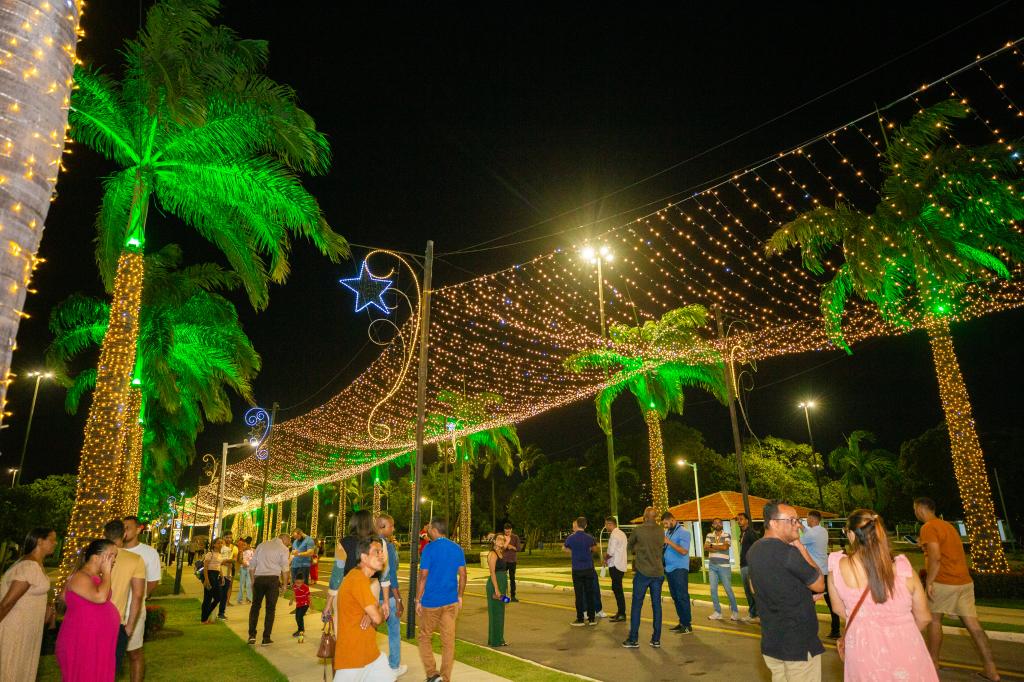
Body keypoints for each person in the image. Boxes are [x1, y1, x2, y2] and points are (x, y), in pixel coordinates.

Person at [828, 509, 936, 681]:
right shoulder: (903, 568)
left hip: (862, 652)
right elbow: (924, 617)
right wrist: (896, 631)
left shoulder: (837, 568)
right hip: (907, 651)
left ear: (852, 534)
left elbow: (838, 609)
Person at [914, 497, 1001, 681]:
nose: (915, 513)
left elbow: (936, 558)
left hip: (943, 581)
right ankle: (991, 669)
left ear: (920, 509)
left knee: (934, 621)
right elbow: (943, 551)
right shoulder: (948, 526)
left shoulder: (928, 527)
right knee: (973, 625)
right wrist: (924, 547)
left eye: (915, 509)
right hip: (964, 581)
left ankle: (933, 662)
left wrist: (929, 582)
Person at [747, 500, 826, 682]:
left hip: (773, 642)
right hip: (798, 644)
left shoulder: (754, 551)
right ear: (773, 523)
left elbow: (755, 587)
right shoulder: (788, 553)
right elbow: (819, 584)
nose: (797, 525)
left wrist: (801, 596)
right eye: (792, 520)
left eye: (798, 520)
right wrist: (801, 548)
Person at [56, 539, 121, 682]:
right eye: (111, 555)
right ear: (96, 557)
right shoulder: (80, 576)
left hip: (95, 640)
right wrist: (107, 573)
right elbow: (100, 597)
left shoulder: (93, 577)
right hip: (84, 641)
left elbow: (64, 597)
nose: (114, 560)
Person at [334, 537, 396, 681]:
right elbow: (377, 618)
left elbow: (371, 612)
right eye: (376, 552)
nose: (381, 555)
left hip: (370, 654)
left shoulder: (359, 577)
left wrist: (372, 612)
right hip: (353, 656)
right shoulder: (358, 579)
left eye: (381, 551)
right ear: (364, 557)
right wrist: (381, 609)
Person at [0, 527, 57, 682]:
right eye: (52, 539)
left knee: (20, 670)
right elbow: (7, 603)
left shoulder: (36, 564)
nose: (55, 543)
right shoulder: (28, 567)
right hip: (15, 630)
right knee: (10, 671)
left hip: (27, 630)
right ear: (40, 541)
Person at [415, 518, 467, 682]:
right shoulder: (456, 548)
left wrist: (418, 599)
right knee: (448, 642)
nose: (428, 530)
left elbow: (423, 576)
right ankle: (445, 678)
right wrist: (460, 596)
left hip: (431, 602)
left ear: (435, 530)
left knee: (424, 637)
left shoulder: (429, 549)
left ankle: (432, 674)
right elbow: (463, 575)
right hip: (451, 601)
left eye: (429, 527)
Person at [122, 516, 161, 682]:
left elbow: (153, 581)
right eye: (122, 528)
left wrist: (139, 596)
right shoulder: (113, 549)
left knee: (134, 652)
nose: (124, 531)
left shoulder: (149, 553)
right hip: (111, 610)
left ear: (138, 529)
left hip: (135, 611)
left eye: (128, 527)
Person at [104, 519, 146, 669]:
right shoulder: (134, 560)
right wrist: (129, 627)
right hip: (114, 622)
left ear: (104, 534)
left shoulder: (91, 553)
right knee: (109, 670)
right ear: (124, 535)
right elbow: (138, 595)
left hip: (88, 620)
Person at [623, 506, 665, 649]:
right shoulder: (661, 530)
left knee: (637, 605)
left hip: (643, 572)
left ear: (645, 517)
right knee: (656, 606)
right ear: (656, 517)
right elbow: (660, 547)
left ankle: (633, 639)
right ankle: (656, 639)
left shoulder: (638, 530)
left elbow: (629, 546)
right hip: (658, 572)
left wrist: (637, 549)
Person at [376, 514, 408, 677]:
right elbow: (391, 576)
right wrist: (399, 600)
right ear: (382, 527)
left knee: (368, 632)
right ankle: (394, 666)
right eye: (391, 526)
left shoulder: (368, 543)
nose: (393, 529)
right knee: (394, 631)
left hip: (370, 596)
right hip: (387, 597)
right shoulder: (387, 546)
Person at [800, 511, 839, 639]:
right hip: (825, 571)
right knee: (831, 602)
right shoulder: (823, 531)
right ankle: (835, 630)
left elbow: (798, 541)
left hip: (814, 573)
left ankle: (810, 631)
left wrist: (796, 528)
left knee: (809, 603)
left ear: (812, 519)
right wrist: (801, 526)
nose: (806, 521)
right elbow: (809, 534)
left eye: (807, 519)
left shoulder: (811, 534)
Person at [248, 533, 291, 645]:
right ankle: (266, 637)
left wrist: (252, 580)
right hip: (272, 580)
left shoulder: (262, 545)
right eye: (289, 541)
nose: (289, 544)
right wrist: (285, 585)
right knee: (270, 609)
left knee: (255, 607)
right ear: (284, 538)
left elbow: (252, 564)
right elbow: (285, 568)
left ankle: (252, 635)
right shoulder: (283, 549)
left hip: (259, 578)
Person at [562, 516, 598, 626]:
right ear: (585, 525)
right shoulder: (590, 537)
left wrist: (573, 551)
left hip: (577, 569)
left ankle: (580, 619)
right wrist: (588, 551)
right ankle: (592, 618)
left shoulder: (571, 538)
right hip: (589, 568)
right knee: (589, 593)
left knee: (579, 595)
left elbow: (564, 548)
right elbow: (595, 548)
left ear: (577, 524)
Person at [662, 511, 692, 634]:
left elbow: (684, 551)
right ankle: (682, 622)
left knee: (682, 596)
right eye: (664, 524)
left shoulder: (684, 532)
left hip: (679, 568)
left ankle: (687, 625)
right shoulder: (668, 532)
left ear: (672, 520)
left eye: (666, 523)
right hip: (669, 568)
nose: (665, 526)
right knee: (675, 597)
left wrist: (668, 542)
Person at [704, 517, 739, 621]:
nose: (718, 524)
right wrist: (718, 546)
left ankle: (735, 611)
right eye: (715, 523)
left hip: (724, 567)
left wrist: (712, 546)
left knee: (728, 589)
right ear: (713, 525)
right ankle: (717, 612)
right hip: (712, 566)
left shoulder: (726, 535)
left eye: (720, 523)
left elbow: (725, 547)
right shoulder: (709, 535)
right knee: (712, 589)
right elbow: (705, 547)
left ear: (722, 524)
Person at [486, 534, 510, 646]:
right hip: (495, 585)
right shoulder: (492, 554)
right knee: (495, 613)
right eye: (499, 539)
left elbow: (506, 543)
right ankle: (495, 640)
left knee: (500, 613)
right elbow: (492, 573)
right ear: (494, 541)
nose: (502, 541)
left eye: (503, 540)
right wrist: (496, 589)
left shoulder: (500, 552)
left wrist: (505, 588)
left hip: (502, 583)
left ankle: (499, 638)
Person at [736, 511, 760, 623]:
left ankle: (756, 614)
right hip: (744, 565)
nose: (739, 521)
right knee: (748, 591)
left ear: (747, 520)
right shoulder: (743, 533)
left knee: (751, 591)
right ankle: (754, 613)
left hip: (749, 565)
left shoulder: (751, 533)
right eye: (738, 519)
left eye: (741, 519)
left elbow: (757, 548)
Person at [603, 516, 628, 622]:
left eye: (606, 524)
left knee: (617, 590)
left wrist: (605, 558)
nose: (605, 527)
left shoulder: (614, 535)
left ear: (610, 524)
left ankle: (622, 613)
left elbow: (611, 552)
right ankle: (620, 612)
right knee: (617, 589)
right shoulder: (622, 533)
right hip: (621, 565)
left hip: (615, 565)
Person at [201, 537, 225, 624]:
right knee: (207, 598)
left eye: (221, 543)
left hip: (216, 576)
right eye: (218, 543)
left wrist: (222, 577)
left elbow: (219, 566)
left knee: (219, 597)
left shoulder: (220, 554)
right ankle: (204, 619)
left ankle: (206, 613)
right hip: (210, 575)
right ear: (214, 544)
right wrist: (206, 579)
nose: (220, 544)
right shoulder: (210, 554)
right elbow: (205, 567)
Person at [218, 532, 237, 619]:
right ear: (223, 537)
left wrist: (225, 561)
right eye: (227, 537)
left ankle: (221, 613)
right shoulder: (219, 547)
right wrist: (227, 562)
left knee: (224, 594)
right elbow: (217, 560)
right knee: (217, 593)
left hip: (228, 573)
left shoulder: (233, 548)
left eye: (230, 537)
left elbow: (234, 560)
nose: (229, 539)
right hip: (218, 572)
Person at [501, 523, 522, 602]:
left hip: (512, 561)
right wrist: (505, 545)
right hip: (503, 561)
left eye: (509, 531)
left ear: (511, 530)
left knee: (512, 578)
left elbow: (519, 549)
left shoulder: (515, 537)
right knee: (502, 578)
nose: (507, 532)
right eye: (506, 531)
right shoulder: (502, 537)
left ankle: (513, 596)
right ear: (504, 530)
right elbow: (500, 548)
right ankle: (502, 595)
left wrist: (512, 547)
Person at [288, 574, 310, 640]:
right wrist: (291, 600)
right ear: (295, 581)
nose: (298, 584)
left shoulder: (305, 587)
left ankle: (301, 630)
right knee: (297, 617)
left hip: (305, 604)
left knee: (299, 617)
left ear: (303, 581)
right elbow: (294, 593)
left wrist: (311, 605)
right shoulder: (294, 586)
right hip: (298, 605)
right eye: (297, 582)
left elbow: (309, 596)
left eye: (300, 583)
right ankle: (301, 629)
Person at [237, 536, 254, 604]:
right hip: (243, 568)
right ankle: (240, 599)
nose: (243, 546)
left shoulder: (253, 551)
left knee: (249, 584)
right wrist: (243, 562)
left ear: (248, 545)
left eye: (244, 545)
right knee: (241, 584)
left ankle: (249, 598)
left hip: (250, 569)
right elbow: (239, 560)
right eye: (243, 545)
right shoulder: (242, 551)